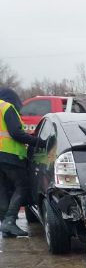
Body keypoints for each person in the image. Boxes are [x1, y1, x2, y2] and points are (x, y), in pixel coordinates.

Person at [0, 87, 38, 237]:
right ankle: (9, 221)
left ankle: (5, 223)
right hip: (10, 155)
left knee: (2, 189)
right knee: (22, 186)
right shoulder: (7, 107)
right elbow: (16, 133)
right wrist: (38, 141)